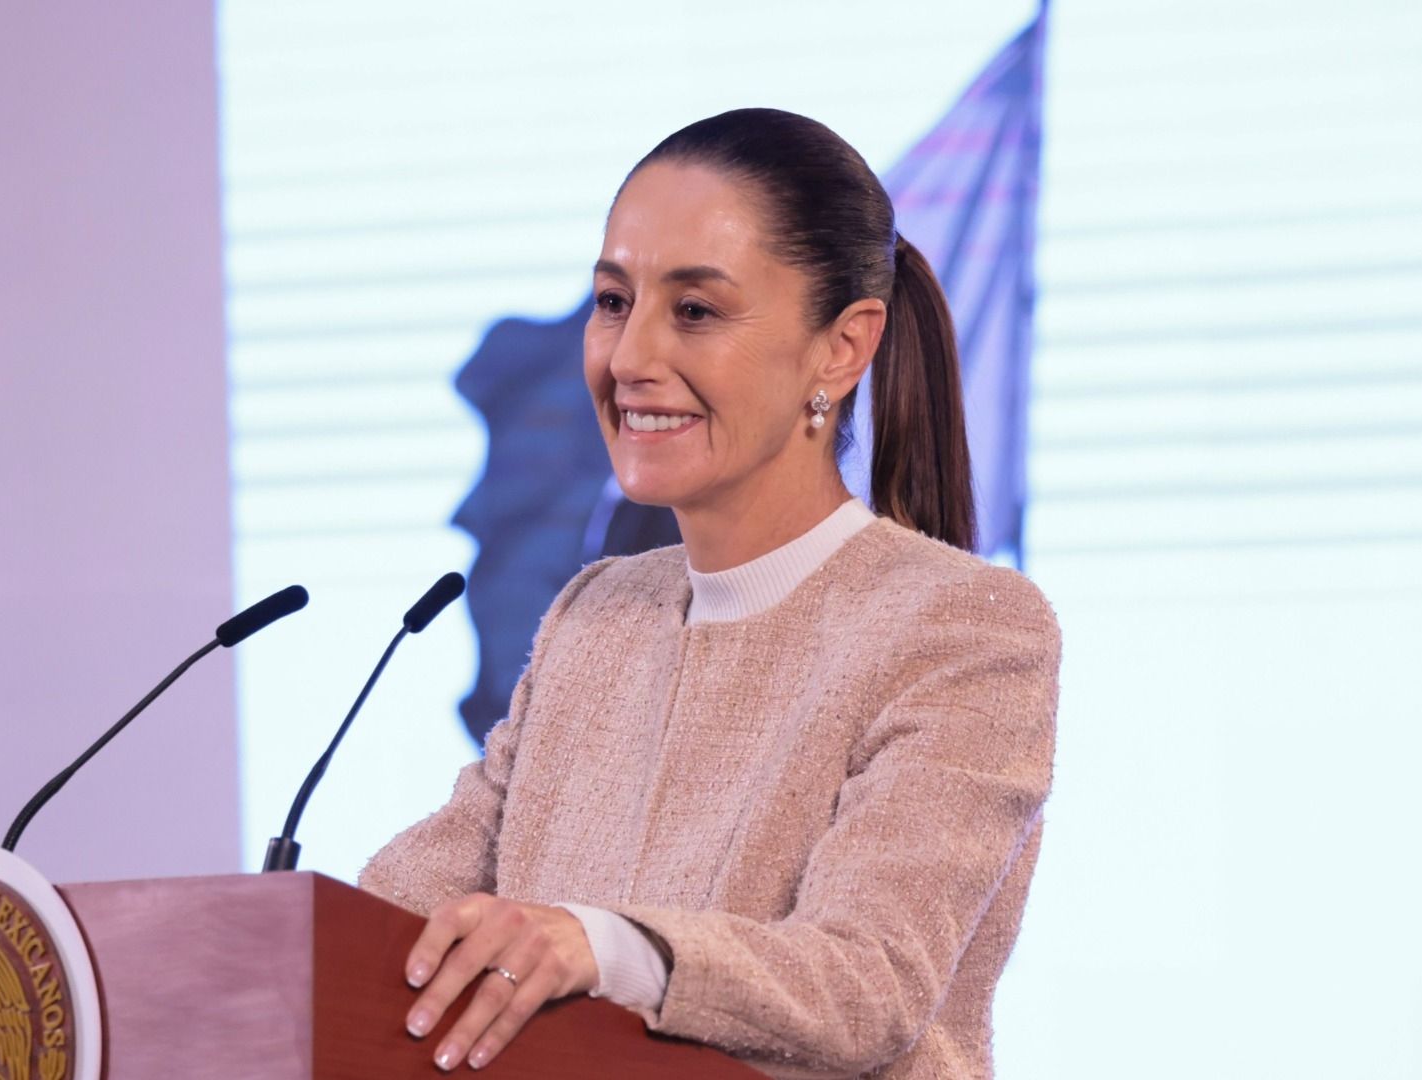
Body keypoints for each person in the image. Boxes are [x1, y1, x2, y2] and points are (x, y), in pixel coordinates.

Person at [359, 107, 1061, 1079]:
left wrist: (597, 945)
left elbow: (867, 983)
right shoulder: (593, 615)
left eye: (694, 310)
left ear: (841, 350)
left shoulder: (962, 626)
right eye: (613, 302)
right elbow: (404, 911)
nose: (631, 357)